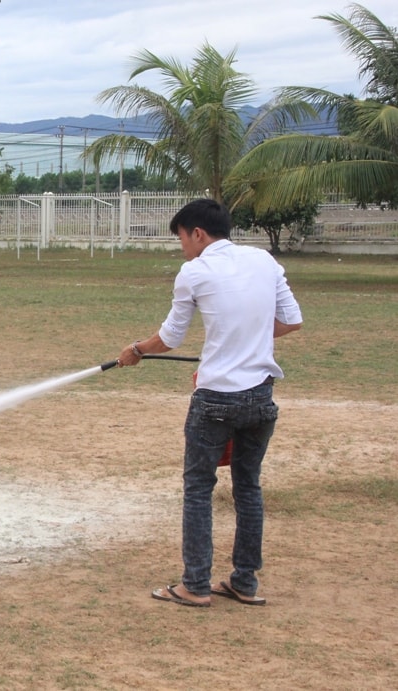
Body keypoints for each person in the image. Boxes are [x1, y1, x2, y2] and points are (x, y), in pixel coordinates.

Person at [116, 198, 303, 608]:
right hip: (261, 396)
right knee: (248, 487)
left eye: (181, 238)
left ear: (197, 233)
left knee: (199, 489)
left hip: (216, 398)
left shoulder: (194, 271)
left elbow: (170, 338)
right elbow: (290, 321)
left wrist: (136, 349)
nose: (181, 247)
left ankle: (195, 585)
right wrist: (245, 345)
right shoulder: (264, 261)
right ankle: (243, 583)